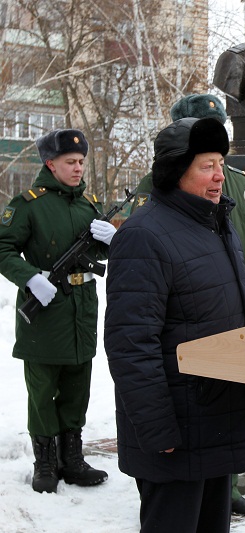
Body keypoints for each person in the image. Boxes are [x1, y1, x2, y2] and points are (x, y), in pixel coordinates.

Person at [104, 117, 245, 532]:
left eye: (221, 163)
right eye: (207, 166)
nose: (220, 176)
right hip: (175, 430)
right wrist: (158, 429)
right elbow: (131, 343)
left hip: (217, 419)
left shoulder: (218, 225)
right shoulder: (145, 235)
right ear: (176, 170)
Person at [0, 129, 111, 494]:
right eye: (70, 162)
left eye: (81, 162)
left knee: (77, 388)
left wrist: (112, 240)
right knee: (43, 390)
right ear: (51, 164)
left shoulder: (88, 204)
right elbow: (3, 249)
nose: (78, 168)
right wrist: (30, 279)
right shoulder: (29, 204)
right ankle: (45, 461)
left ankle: (72, 458)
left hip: (82, 312)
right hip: (45, 313)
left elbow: (98, 257)